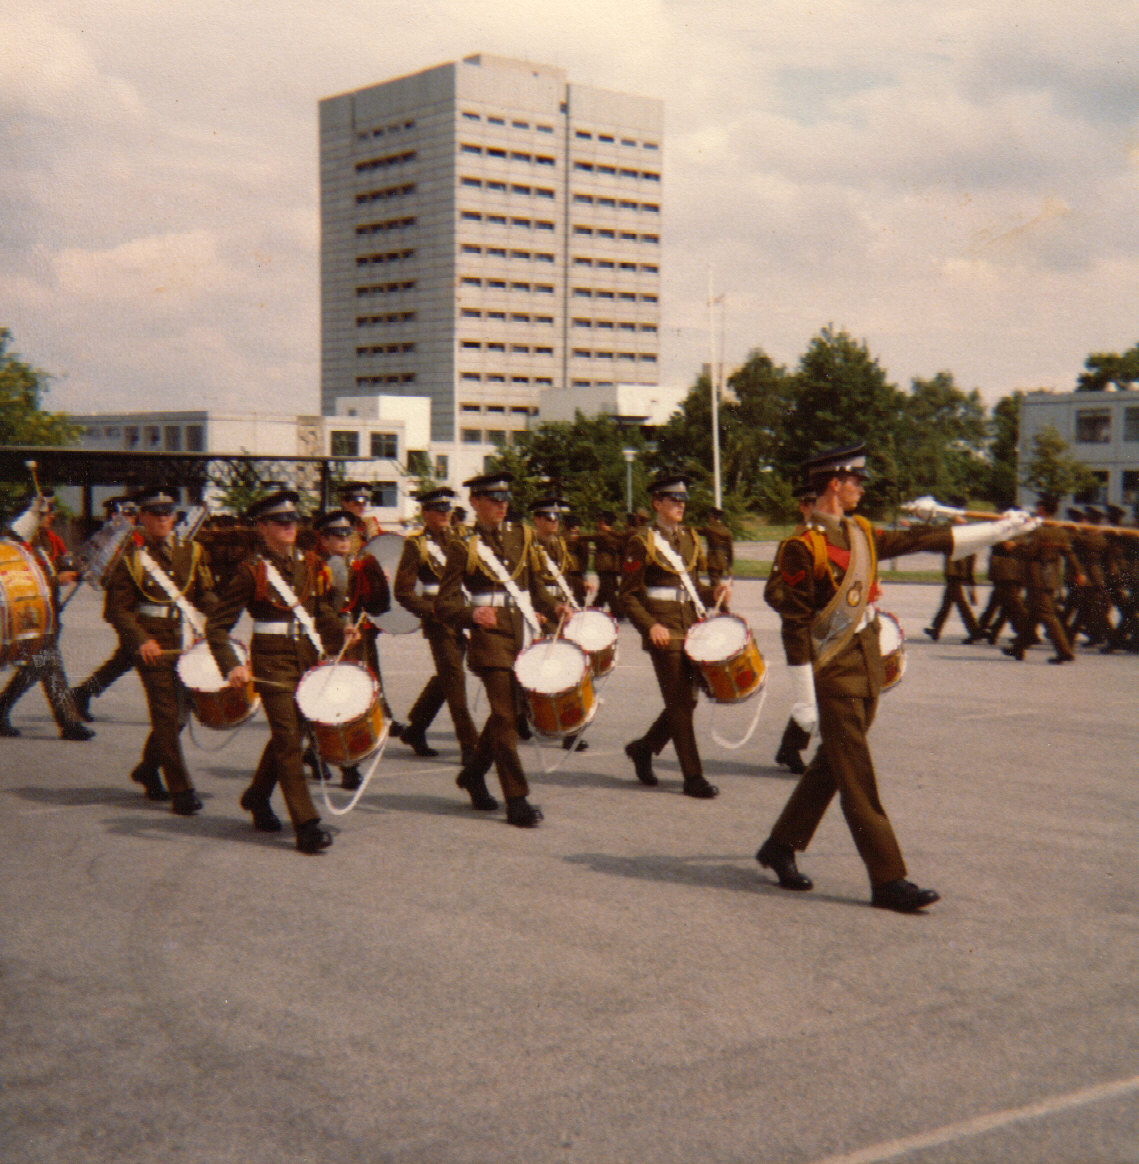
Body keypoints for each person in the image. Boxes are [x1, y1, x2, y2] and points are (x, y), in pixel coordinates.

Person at [755, 442, 1036, 912]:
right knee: (858, 777)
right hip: (833, 671)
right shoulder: (802, 549)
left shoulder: (860, 532)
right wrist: (804, 696)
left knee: (834, 764)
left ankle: (780, 846)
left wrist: (999, 530)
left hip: (865, 662)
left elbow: (923, 541)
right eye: (855, 481)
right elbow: (795, 623)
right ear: (833, 484)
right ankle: (888, 880)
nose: (861, 489)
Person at [207, 490, 353, 854]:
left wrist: (341, 631)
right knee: (288, 740)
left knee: (294, 734)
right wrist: (232, 666)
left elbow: (321, 612)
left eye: (292, 520)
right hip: (272, 663)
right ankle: (307, 823)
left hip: (306, 658)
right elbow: (216, 627)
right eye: (280, 522)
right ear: (263, 528)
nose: (289, 527)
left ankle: (257, 796)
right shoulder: (250, 572)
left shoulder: (308, 562)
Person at [435, 472, 567, 827]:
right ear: (475, 502)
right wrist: (470, 613)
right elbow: (444, 604)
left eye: (505, 498)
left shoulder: (522, 535)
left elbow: (535, 586)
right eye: (492, 499)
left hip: (521, 630)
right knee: (506, 717)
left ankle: (474, 774)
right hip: (490, 636)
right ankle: (517, 798)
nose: (501, 505)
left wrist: (555, 607)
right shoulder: (464, 545)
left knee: (507, 712)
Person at [102, 486, 217, 813]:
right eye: (156, 514)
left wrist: (218, 615)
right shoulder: (130, 560)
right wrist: (141, 640)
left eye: (168, 513)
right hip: (152, 646)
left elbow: (203, 593)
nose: (164, 519)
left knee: (180, 716)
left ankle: (148, 769)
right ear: (142, 519)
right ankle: (181, 789)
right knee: (166, 715)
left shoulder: (191, 552)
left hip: (186, 643)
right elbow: (117, 610)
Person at [619, 472, 727, 799]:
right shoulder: (642, 541)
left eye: (682, 500)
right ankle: (693, 777)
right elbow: (627, 595)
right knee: (680, 703)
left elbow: (693, 589)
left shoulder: (691, 538)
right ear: (657, 504)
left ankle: (645, 747)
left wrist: (715, 594)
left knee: (688, 701)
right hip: (663, 630)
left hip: (691, 628)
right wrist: (650, 625)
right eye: (672, 500)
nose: (679, 505)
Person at [393, 487, 479, 764]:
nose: (444, 515)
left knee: (447, 677)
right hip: (438, 619)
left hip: (463, 615)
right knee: (455, 677)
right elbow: (403, 592)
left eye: (447, 510)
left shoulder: (463, 539)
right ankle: (469, 744)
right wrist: (432, 611)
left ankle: (416, 728)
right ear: (425, 513)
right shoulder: (416, 545)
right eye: (437, 510)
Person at [0, 490, 93, 741]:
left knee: (38, 665)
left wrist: (76, 570)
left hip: (50, 613)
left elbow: (64, 564)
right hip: (29, 616)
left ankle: (2, 708)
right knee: (47, 662)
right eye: (46, 512)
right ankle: (69, 722)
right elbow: (17, 576)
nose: (51, 516)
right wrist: (56, 578)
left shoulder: (51, 540)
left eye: (51, 512)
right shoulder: (15, 543)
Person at [70, 496, 140, 720]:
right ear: (114, 515)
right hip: (123, 608)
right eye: (127, 514)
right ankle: (82, 693)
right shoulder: (107, 540)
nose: (132, 519)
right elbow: (91, 567)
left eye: (133, 514)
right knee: (130, 655)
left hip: (140, 606)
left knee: (128, 657)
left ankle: (83, 693)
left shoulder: (133, 537)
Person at [529, 495, 589, 752]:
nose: (554, 522)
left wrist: (579, 593)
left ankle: (571, 728)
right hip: (540, 612)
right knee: (538, 669)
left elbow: (566, 578)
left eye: (557, 517)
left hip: (561, 611)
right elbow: (526, 582)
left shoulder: (560, 545)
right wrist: (532, 610)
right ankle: (530, 718)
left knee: (569, 668)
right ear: (537, 520)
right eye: (548, 517)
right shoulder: (527, 545)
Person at [1004, 494, 1082, 664]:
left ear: (1042, 510)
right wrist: (1078, 572)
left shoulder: (1039, 531)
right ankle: (1018, 647)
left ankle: (1064, 651)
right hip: (1051, 577)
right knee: (1033, 614)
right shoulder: (1061, 532)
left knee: (1047, 615)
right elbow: (1069, 554)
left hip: (1037, 577)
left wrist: (1014, 547)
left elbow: (1030, 552)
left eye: (1039, 508)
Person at [773, 482, 818, 774]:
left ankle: (789, 748)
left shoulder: (832, 541)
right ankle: (791, 749)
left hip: (827, 632)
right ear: (803, 507)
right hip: (800, 634)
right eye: (813, 503)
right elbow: (773, 591)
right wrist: (800, 609)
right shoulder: (794, 544)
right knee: (809, 702)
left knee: (820, 698)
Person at [924, 515, 982, 642]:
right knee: (947, 602)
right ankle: (936, 628)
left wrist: (971, 587)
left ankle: (975, 631)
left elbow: (969, 564)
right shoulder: (965, 537)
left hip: (956, 574)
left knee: (961, 604)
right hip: (954, 573)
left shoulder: (963, 538)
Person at [590, 511, 623, 619]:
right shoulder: (616, 534)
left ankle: (617, 612)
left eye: (599, 522)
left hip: (604, 565)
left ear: (603, 522)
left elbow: (588, 536)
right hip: (613, 565)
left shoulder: (602, 534)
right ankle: (594, 608)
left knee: (608, 590)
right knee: (606, 589)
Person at [699, 507, 735, 589]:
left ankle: (717, 600)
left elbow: (694, 530)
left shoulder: (709, 529)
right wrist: (729, 566)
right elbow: (730, 550)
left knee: (715, 585)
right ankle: (717, 598)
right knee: (716, 582)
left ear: (712, 517)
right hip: (722, 562)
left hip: (713, 561)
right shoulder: (726, 531)